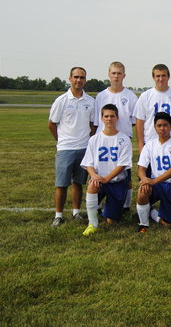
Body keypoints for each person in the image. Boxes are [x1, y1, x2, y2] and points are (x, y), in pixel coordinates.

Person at [48, 67, 95, 226]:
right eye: (76, 77)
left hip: (83, 148)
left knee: (78, 182)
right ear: (70, 78)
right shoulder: (62, 100)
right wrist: (61, 141)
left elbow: (93, 125)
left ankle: (76, 213)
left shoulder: (90, 101)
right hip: (65, 148)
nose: (78, 80)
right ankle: (58, 215)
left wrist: (89, 142)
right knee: (61, 184)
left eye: (82, 77)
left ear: (85, 80)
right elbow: (51, 124)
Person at [93, 61, 138, 215]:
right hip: (103, 140)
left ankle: (125, 206)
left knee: (125, 176)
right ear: (109, 75)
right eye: (113, 73)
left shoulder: (131, 96)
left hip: (122, 141)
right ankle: (96, 206)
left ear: (124, 75)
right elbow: (95, 121)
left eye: (119, 73)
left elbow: (133, 121)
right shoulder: (101, 96)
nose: (116, 76)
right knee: (99, 173)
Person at [80, 104, 132, 235]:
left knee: (111, 220)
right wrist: (94, 176)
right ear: (102, 118)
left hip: (116, 182)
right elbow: (88, 163)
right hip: (99, 180)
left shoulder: (124, 139)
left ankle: (108, 210)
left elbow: (122, 165)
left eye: (112, 116)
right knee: (92, 185)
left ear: (117, 118)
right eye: (106, 116)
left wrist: (106, 179)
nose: (109, 119)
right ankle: (92, 224)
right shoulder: (94, 139)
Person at [135, 112, 171, 233]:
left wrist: (152, 181)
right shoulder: (150, 145)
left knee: (169, 224)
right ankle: (143, 224)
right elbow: (141, 169)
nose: (162, 128)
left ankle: (152, 212)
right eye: (159, 125)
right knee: (142, 190)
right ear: (155, 127)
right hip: (155, 185)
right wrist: (144, 180)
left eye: (165, 125)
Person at [134, 64, 171, 154]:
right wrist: (140, 146)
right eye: (158, 76)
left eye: (163, 75)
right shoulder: (145, 96)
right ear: (153, 77)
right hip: (149, 143)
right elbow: (139, 122)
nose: (161, 79)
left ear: (168, 77)